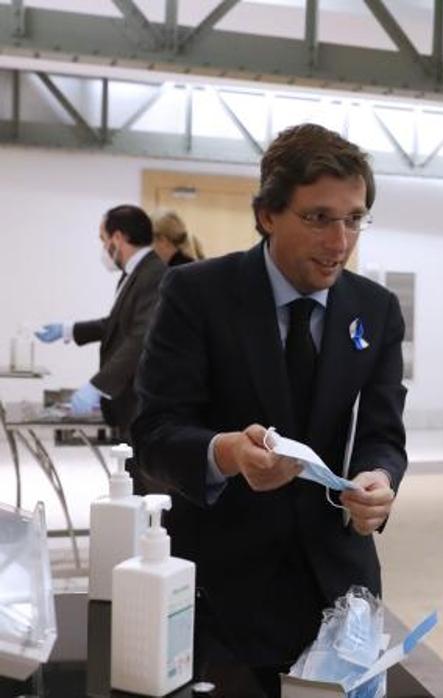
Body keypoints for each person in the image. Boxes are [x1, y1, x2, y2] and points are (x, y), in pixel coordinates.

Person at [130, 123, 407, 695]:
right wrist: (226, 452)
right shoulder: (196, 294)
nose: (340, 240)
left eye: (354, 218)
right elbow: (155, 433)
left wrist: (379, 480)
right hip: (223, 582)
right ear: (267, 215)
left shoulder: (374, 309)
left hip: (337, 582)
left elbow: (383, 432)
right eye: (318, 217)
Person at [35, 205, 166, 445]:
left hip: (141, 403)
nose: (104, 248)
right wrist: (67, 329)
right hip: (127, 403)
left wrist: (98, 386)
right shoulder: (133, 274)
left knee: (142, 479)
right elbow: (115, 325)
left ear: (117, 237)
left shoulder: (154, 274)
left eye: (103, 239)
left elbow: (140, 339)